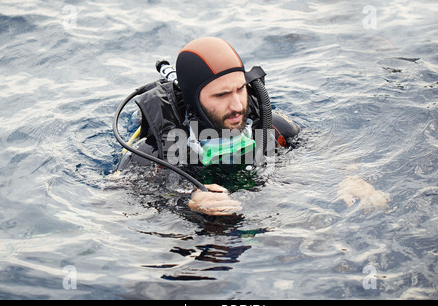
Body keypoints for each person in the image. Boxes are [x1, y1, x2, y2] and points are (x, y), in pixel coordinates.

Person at [116, 37, 300, 216]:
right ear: (193, 100)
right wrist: (187, 203)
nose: (237, 106)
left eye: (240, 89)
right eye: (221, 95)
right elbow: (113, 204)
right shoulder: (149, 155)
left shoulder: (275, 130)